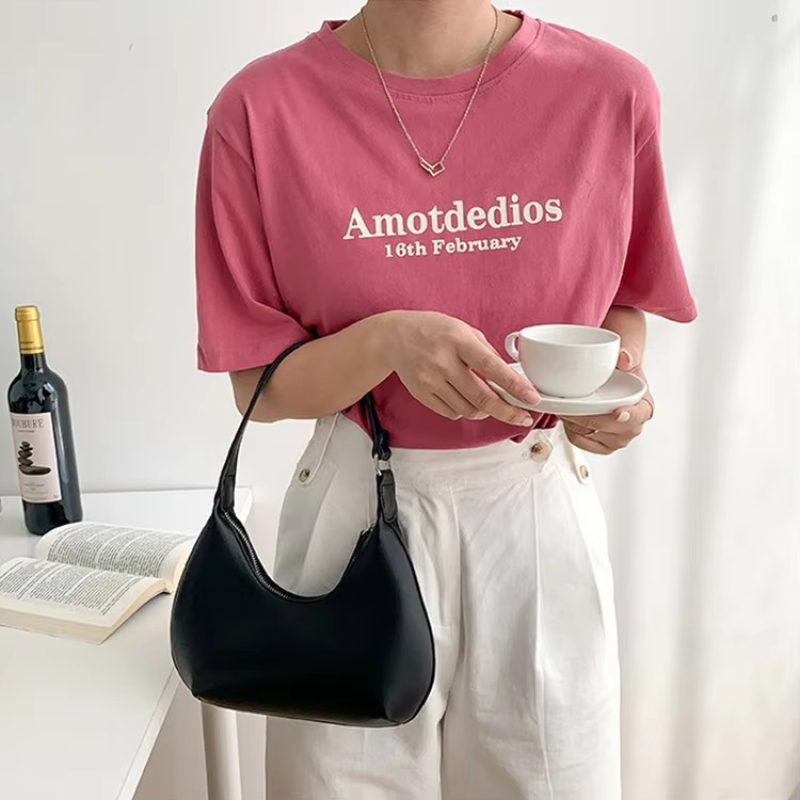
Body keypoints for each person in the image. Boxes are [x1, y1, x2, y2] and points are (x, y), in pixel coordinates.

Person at [194, 1, 697, 797]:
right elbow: (258, 383)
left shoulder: (610, 91)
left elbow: (624, 303)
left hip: (534, 513)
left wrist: (611, 397)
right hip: (350, 520)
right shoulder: (258, 111)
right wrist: (384, 341)